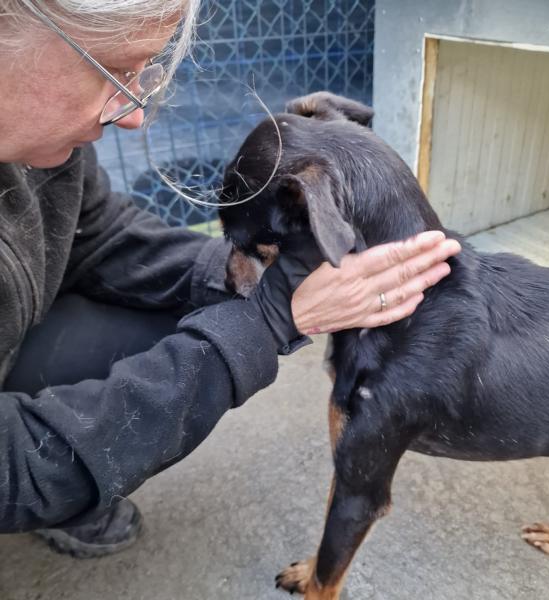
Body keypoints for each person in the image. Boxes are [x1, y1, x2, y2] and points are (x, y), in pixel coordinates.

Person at [0, 0, 461, 559]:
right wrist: (267, 323)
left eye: (144, 73)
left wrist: (241, 281)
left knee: (204, 312)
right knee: (212, 335)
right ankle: (66, 490)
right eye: (112, 71)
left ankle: (75, 487)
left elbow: (94, 231)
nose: (133, 115)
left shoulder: (39, 148)